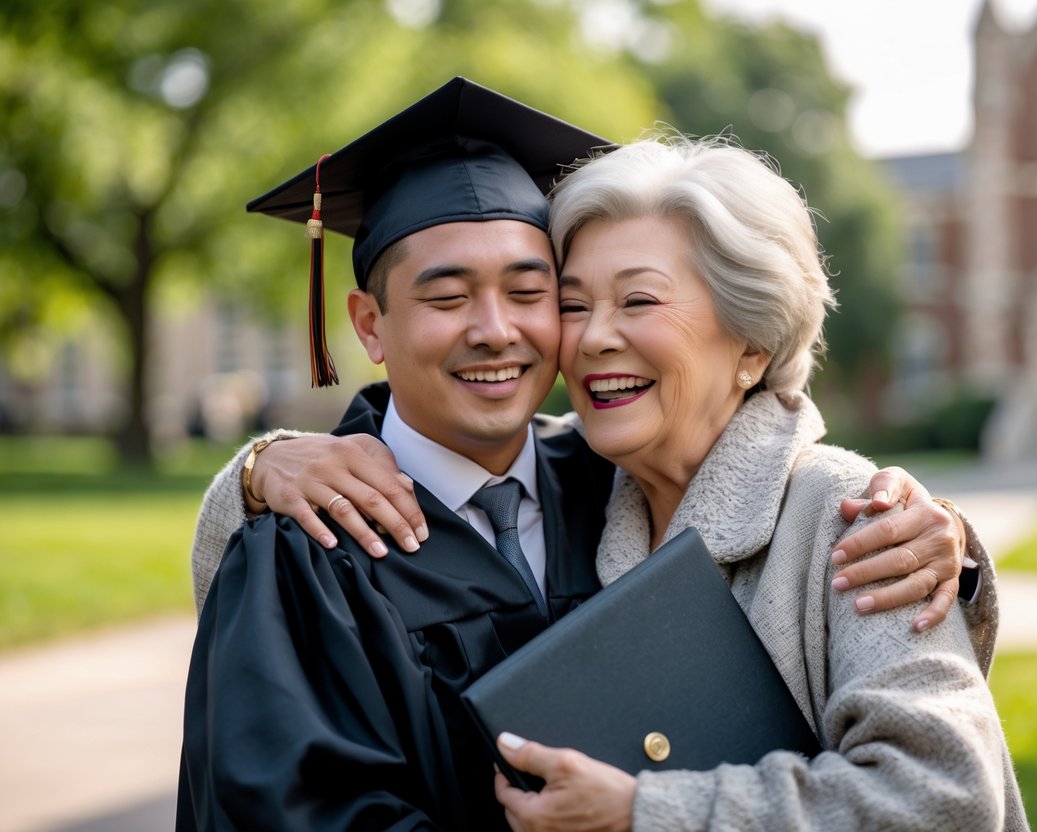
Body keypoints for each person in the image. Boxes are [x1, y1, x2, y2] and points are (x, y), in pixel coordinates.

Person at [179, 79, 994, 831]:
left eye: (535, 294)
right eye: (447, 295)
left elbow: (944, 787)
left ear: (752, 342)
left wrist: (950, 546)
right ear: (368, 326)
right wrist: (255, 469)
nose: (497, 329)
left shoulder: (624, 487)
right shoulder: (308, 540)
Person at [482, 135, 1028, 831]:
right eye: (572, 304)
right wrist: (296, 455)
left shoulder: (856, 519)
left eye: (638, 300)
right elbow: (442, 449)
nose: (591, 339)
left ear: (751, 345)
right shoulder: (579, 490)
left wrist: (644, 813)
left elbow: (941, 797)